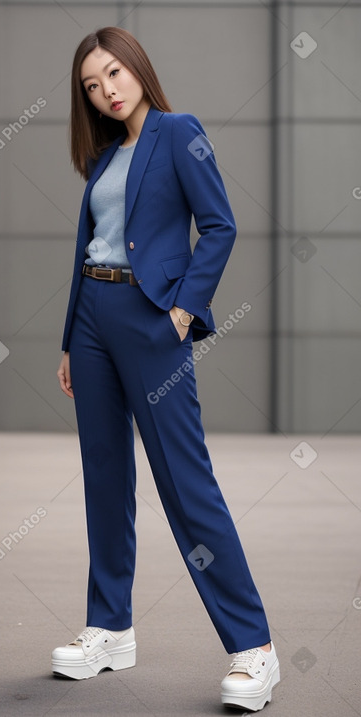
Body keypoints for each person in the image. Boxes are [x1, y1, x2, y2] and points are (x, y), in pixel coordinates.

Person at [54, 26, 280, 712]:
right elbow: (88, 245)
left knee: (186, 481)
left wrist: (183, 312)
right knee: (104, 475)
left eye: (114, 73)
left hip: (152, 319)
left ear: (138, 68)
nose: (106, 91)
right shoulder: (102, 158)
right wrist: (69, 337)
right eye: (92, 86)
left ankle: (255, 648)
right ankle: (109, 627)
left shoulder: (180, 133)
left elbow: (221, 225)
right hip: (93, 316)